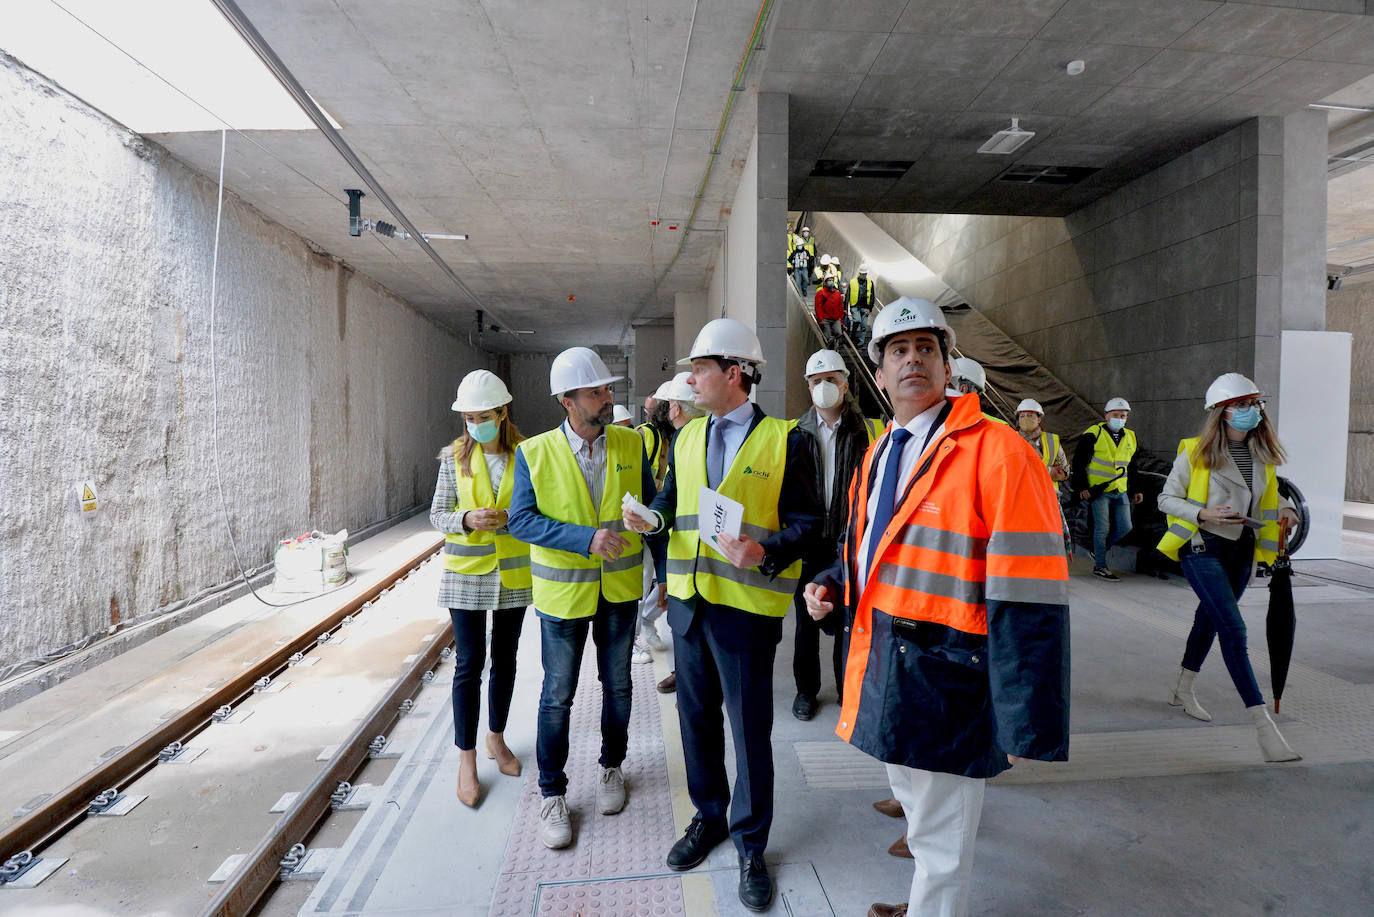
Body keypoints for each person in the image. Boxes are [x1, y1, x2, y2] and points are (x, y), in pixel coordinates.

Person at [803, 297, 1069, 917]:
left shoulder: (998, 452)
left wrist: (1026, 708)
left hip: (953, 674)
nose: (913, 360)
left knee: (943, 837)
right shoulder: (879, 453)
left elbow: (1031, 591)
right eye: (898, 350)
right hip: (891, 665)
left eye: (927, 348)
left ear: (949, 366)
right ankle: (924, 904)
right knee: (918, 810)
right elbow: (877, 551)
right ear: (878, 371)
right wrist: (835, 581)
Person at [624, 318, 821, 912]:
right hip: (689, 609)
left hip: (744, 614)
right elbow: (672, 502)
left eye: (699, 369)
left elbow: (811, 525)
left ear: (733, 374)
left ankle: (751, 843)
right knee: (697, 727)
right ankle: (709, 818)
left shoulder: (788, 440)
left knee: (749, 735)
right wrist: (652, 520)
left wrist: (767, 550)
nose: (690, 379)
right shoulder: (686, 438)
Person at [506, 347, 656, 849]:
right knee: (557, 696)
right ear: (567, 402)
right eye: (596, 392)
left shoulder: (632, 444)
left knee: (618, 686)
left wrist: (650, 520)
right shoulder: (534, 453)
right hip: (563, 597)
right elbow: (522, 520)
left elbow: (655, 504)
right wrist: (583, 538)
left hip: (617, 588)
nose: (607, 398)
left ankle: (612, 769)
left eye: (607, 389)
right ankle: (553, 793)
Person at [1157, 373, 1301, 763]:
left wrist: (1286, 511)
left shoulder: (1262, 455)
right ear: (1221, 413)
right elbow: (1166, 499)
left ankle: (1182, 688)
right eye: (1241, 405)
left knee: (1209, 621)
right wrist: (1202, 511)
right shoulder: (1194, 451)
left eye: (1254, 404)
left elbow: (1269, 499)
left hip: (1241, 552)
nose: (1250, 411)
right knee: (1234, 630)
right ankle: (1263, 730)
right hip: (1202, 547)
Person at [429, 370, 531, 808]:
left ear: (502, 413)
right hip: (465, 575)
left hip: (511, 575)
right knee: (469, 664)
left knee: (505, 659)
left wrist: (511, 516)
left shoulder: (526, 455)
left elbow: (535, 509)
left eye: (483, 416)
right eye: (468, 417)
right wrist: (467, 520)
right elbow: (437, 514)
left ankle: (496, 738)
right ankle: (466, 758)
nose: (475, 424)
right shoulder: (454, 458)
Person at [789, 348, 884, 721]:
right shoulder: (796, 432)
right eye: (817, 381)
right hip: (810, 540)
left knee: (848, 617)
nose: (824, 386)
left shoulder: (868, 431)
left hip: (851, 538)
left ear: (846, 383)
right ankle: (805, 691)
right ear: (808, 387)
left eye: (831, 379)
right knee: (806, 621)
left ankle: (849, 687)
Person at [637, 372, 704, 693]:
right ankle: (685, 674)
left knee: (686, 613)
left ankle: (689, 676)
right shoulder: (669, 438)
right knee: (678, 608)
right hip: (673, 535)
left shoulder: (688, 437)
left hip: (689, 542)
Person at [1071, 397, 1144, 580]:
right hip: (1099, 490)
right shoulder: (1093, 434)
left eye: (1123, 415)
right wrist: (1082, 488)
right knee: (1102, 529)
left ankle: (1098, 550)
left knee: (1125, 527)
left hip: (1120, 489)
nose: (1120, 418)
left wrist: (1136, 489)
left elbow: (1132, 465)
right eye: (1115, 415)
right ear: (1106, 416)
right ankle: (1100, 566)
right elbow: (1079, 463)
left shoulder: (1130, 436)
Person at [1016, 398, 1069, 488]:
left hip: (1048, 494)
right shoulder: (1011, 438)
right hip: (1021, 493)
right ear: (1018, 420)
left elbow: (1065, 471)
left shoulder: (1052, 439)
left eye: (1030, 415)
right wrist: (1049, 471)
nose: (1026, 419)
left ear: (1039, 419)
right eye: (1022, 416)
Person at [846, 262, 878, 344]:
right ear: (859, 273)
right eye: (863, 273)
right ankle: (852, 336)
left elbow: (872, 296)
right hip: (855, 306)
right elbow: (847, 295)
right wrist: (845, 308)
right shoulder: (852, 282)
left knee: (864, 326)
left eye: (865, 274)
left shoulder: (870, 282)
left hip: (865, 307)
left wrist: (869, 309)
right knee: (857, 320)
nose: (864, 275)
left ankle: (861, 342)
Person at [814, 277, 844, 345]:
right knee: (827, 337)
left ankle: (834, 346)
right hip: (825, 318)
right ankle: (830, 348)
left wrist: (841, 319)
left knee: (839, 333)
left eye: (832, 280)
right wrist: (820, 319)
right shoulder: (821, 293)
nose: (831, 282)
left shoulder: (837, 293)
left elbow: (840, 307)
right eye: (829, 280)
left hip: (836, 318)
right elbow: (818, 307)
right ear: (825, 282)